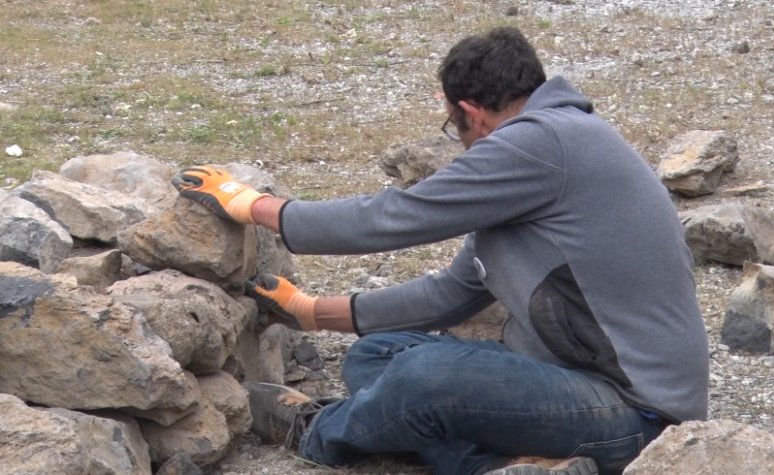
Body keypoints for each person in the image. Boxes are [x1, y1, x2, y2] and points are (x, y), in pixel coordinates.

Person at [172, 26, 709, 475]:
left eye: (453, 125)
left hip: (633, 412)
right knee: (374, 356)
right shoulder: (542, 159)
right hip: (565, 375)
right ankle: (511, 466)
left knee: (423, 378)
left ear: (472, 112)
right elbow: (454, 293)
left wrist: (256, 206)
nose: (459, 138)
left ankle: (318, 431)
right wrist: (311, 311)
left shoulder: (540, 145)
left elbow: (393, 217)